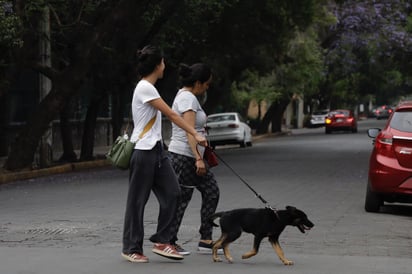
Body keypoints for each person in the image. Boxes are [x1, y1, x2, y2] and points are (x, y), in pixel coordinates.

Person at [121, 46, 207, 263]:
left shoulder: (150, 87)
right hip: (142, 151)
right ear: (157, 65)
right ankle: (131, 248)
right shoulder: (145, 87)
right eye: (163, 63)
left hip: (158, 151)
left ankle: (162, 240)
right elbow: (170, 113)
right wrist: (194, 133)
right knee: (137, 202)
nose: (165, 67)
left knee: (173, 193)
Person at [168, 63, 220, 255]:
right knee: (182, 198)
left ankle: (206, 239)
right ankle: (169, 241)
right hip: (185, 156)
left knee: (211, 191)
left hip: (192, 155)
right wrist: (198, 158)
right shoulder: (188, 99)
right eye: (206, 84)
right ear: (198, 83)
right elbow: (189, 131)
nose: (207, 87)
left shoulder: (189, 98)